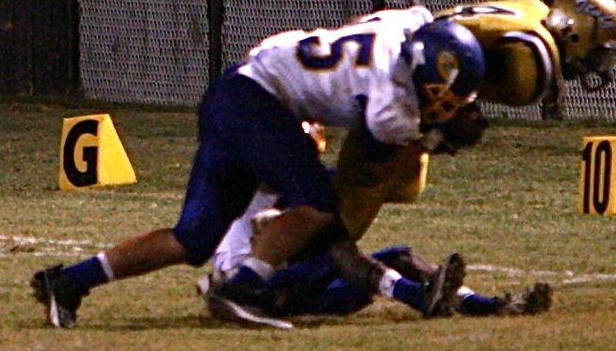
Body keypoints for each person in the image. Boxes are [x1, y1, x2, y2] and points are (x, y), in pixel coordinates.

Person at [31, 5, 486, 327]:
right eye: (436, 98)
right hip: (258, 102)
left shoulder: (405, 26)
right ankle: (245, 288)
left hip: (235, 91)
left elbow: (432, 21)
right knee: (321, 205)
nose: (440, 107)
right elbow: (374, 168)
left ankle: (69, 281)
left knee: (192, 238)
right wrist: (432, 137)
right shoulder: (391, 106)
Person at [334, 0, 616, 241]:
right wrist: (445, 126)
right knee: (373, 178)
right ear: (573, 29)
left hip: (397, 44)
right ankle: (316, 254)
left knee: (407, 183)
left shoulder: (535, 11)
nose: (596, 64)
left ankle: (314, 194)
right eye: (597, 52)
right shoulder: (533, 59)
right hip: (393, 68)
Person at [198, 123, 551, 329]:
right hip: (263, 296)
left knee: (400, 256)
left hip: (306, 289)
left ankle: (489, 306)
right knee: (334, 252)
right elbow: (241, 250)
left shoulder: (306, 184)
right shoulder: (247, 193)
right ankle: (420, 297)